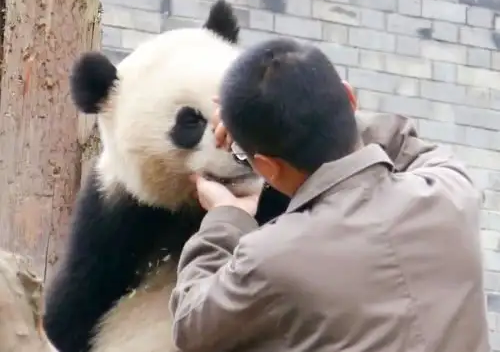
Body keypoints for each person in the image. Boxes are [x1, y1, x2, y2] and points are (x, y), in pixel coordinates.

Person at [169, 38, 490, 352]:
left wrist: (226, 218)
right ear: (350, 98)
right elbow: (402, 143)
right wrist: (329, 108)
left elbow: (190, 324)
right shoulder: (453, 190)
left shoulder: (270, 257)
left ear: (267, 167)